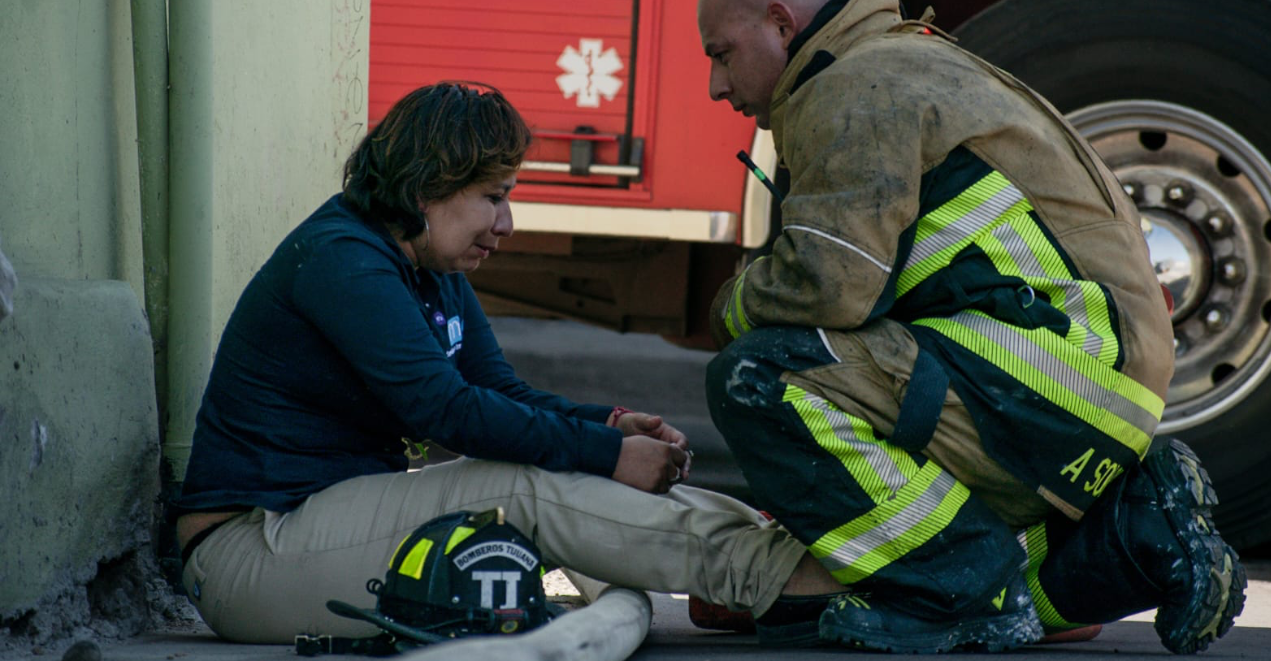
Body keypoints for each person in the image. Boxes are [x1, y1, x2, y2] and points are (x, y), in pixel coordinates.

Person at [696, 0, 1246, 654]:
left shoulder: (853, 86)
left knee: (759, 375)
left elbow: (828, 284)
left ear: (779, 23)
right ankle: (1138, 537)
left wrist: (730, 308)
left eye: (721, 52)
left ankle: (957, 590)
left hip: (1044, 372)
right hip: (1093, 385)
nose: (714, 84)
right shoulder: (908, 59)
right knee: (899, 575)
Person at [173, 81, 845, 644]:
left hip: (315, 525)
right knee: (519, 488)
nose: (508, 223)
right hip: (246, 556)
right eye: (494, 197)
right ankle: (770, 580)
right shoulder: (343, 259)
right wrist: (604, 453)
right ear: (427, 189)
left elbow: (495, 389)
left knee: (538, 466)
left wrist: (608, 428)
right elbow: (446, 412)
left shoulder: (426, 262)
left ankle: (761, 566)